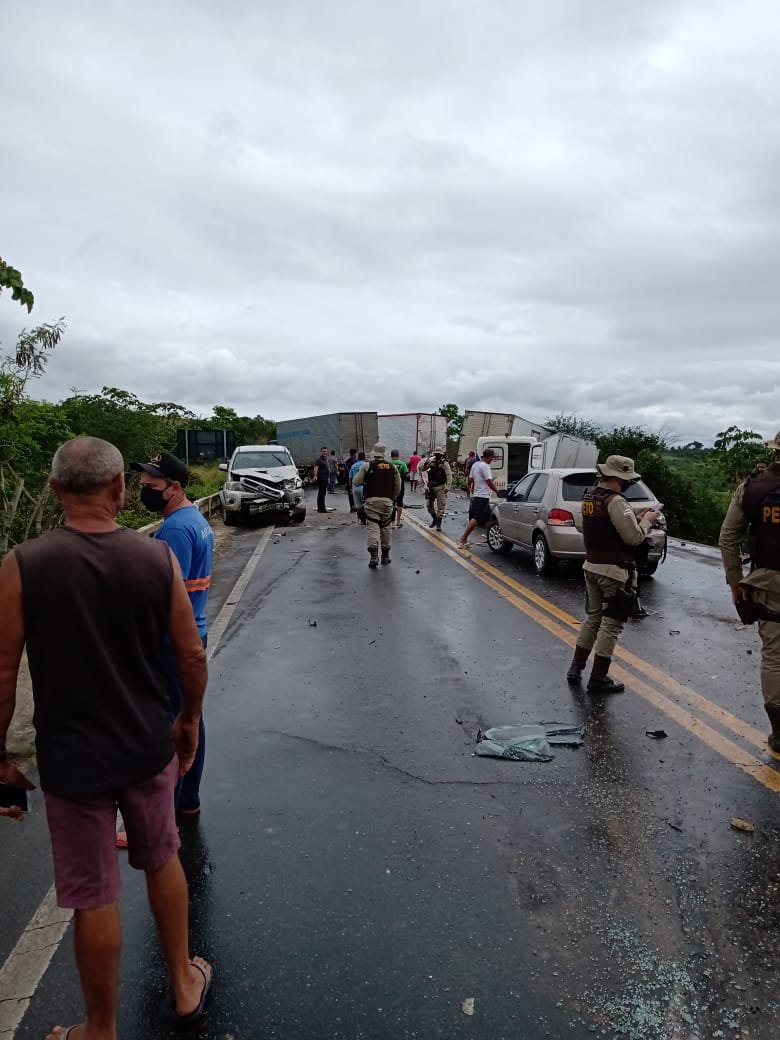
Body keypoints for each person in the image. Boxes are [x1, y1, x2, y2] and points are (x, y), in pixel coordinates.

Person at [0, 436, 212, 1038]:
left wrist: (1, 761)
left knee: (93, 893)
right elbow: (191, 654)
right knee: (163, 858)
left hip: (72, 760)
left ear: (53, 491)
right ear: (121, 489)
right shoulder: (154, 559)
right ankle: (182, 984)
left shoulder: (23, 565)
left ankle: (100, 1028)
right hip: (147, 746)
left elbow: (2, 674)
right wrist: (188, 720)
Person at [130, 452, 214, 816]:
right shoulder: (194, 518)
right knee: (189, 717)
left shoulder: (176, 529)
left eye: (151, 487)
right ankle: (186, 801)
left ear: (174, 488)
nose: (143, 492)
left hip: (174, 641)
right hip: (192, 632)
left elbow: (166, 592)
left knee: (172, 725)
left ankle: (167, 812)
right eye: (141, 485)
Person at [565, 455, 659, 693]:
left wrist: (634, 521)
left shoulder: (591, 497)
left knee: (593, 618)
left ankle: (575, 669)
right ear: (620, 478)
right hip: (614, 571)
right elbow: (634, 538)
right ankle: (598, 678)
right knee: (611, 625)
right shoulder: (617, 501)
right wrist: (647, 521)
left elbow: (606, 528)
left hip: (591, 566)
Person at [719, 431, 780, 752]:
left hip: (769, 582)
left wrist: (735, 582)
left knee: (774, 655)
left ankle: (779, 733)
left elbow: (728, 538)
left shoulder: (754, 487)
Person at [352, 443, 401, 568]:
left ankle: (374, 556)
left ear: (374, 453)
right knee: (386, 528)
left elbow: (356, 481)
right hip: (387, 503)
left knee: (373, 528)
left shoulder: (367, 466)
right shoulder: (392, 467)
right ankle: (385, 556)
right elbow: (398, 487)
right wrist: (392, 498)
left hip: (372, 503)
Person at [457, 448, 498, 548]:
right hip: (482, 496)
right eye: (492, 457)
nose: (493, 459)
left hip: (477, 495)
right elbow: (489, 481)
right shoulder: (485, 466)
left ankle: (490, 538)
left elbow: (470, 479)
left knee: (488, 518)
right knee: (477, 518)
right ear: (490, 457)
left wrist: (471, 488)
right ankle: (463, 539)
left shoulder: (475, 465)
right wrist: (498, 491)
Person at [420, 447, 452, 532]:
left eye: (439, 454)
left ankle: (438, 524)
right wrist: (426, 463)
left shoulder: (445, 463)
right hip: (431, 486)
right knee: (429, 505)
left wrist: (447, 487)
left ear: (441, 455)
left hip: (440, 487)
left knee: (441, 506)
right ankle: (435, 518)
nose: (437, 455)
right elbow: (422, 469)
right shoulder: (430, 461)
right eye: (436, 454)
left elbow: (449, 475)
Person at [389, 449, 409, 528]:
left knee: (391, 503)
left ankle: (392, 523)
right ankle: (398, 522)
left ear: (391, 455)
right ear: (398, 455)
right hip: (400, 486)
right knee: (399, 503)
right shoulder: (402, 464)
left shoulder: (388, 463)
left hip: (390, 487)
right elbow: (407, 476)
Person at [311, 446, 333, 513]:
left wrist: (328, 478)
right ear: (321, 452)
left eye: (326, 451)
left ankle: (321, 507)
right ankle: (321, 508)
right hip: (321, 479)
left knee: (323, 493)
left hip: (325, 479)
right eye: (323, 451)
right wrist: (315, 476)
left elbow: (328, 469)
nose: (325, 452)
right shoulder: (319, 460)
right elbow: (316, 468)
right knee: (321, 493)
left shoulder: (326, 459)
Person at [350, 451, 367, 522]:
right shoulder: (367, 465)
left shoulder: (353, 466)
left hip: (355, 487)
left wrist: (351, 487)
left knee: (358, 504)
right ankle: (365, 519)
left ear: (358, 457)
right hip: (364, 486)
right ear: (364, 457)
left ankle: (360, 519)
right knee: (365, 503)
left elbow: (350, 478)